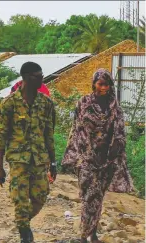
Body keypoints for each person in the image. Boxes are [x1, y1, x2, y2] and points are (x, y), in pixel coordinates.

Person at [62, 69, 134, 243]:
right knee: (88, 196)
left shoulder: (115, 107)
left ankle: (92, 234)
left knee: (98, 196)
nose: (104, 88)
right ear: (94, 83)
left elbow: (120, 133)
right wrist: (80, 154)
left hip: (107, 160)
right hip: (86, 158)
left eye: (107, 84)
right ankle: (83, 235)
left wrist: (114, 151)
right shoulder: (84, 103)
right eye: (100, 84)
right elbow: (77, 129)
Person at [0, 61, 57, 243]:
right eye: (39, 77)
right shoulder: (9, 104)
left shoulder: (46, 104)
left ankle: (23, 222)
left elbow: (49, 135)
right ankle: (25, 235)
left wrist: (53, 162)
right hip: (18, 160)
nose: (42, 80)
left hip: (39, 159)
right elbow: (2, 137)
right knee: (20, 199)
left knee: (40, 196)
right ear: (27, 78)